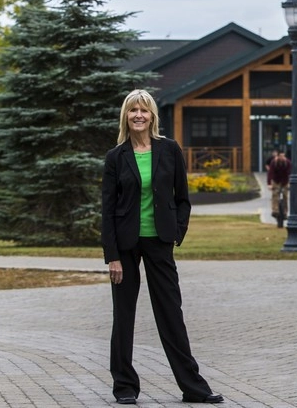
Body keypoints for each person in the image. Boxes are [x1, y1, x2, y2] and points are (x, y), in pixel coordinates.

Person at [101, 89, 223, 405]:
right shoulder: (116, 157)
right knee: (123, 316)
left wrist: (176, 233)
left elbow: (182, 198)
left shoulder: (169, 150)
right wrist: (112, 256)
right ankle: (125, 387)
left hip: (160, 242)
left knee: (171, 313)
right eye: (133, 111)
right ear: (125, 117)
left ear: (152, 116)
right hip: (125, 246)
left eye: (144, 110)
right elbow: (107, 210)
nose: (138, 115)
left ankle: (193, 387)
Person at [267, 149, 291, 228]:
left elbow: (289, 172)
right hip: (276, 180)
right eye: (280, 156)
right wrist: (269, 184)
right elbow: (270, 173)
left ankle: (285, 212)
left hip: (284, 181)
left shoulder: (287, 162)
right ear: (277, 156)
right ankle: (275, 210)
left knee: (285, 195)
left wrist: (289, 183)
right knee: (275, 194)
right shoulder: (274, 162)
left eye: (283, 156)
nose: (282, 157)